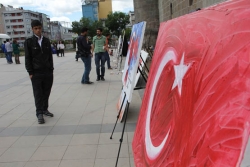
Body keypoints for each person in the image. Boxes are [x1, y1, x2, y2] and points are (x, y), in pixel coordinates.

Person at [24, 20, 54, 124]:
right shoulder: (29, 42)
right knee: (38, 93)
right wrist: (30, 72)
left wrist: (51, 69)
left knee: (46, 92)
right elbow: (28, 58)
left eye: (39, 28)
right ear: (32, 29)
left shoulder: (46, 41)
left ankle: (45, 109)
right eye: (36, 28)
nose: (38, 30)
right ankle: (39, 113)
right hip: (36, 73)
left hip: (47, 72)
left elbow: (50, 56)